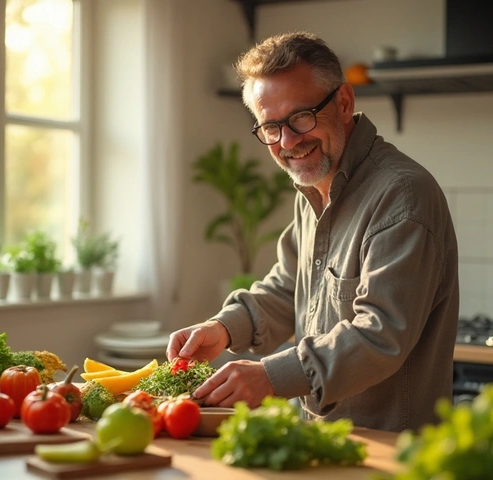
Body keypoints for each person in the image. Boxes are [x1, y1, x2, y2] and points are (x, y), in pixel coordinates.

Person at [167, 32, 459, 432]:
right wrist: (222, 328)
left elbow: (380, 335)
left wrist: (269, 376)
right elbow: (288, 288)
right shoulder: (316, 189)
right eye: (270, 126)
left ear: (343, 103)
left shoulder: (402, 196)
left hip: (393, 454)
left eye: (301, 117)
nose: (288, 141)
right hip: (325, 444)